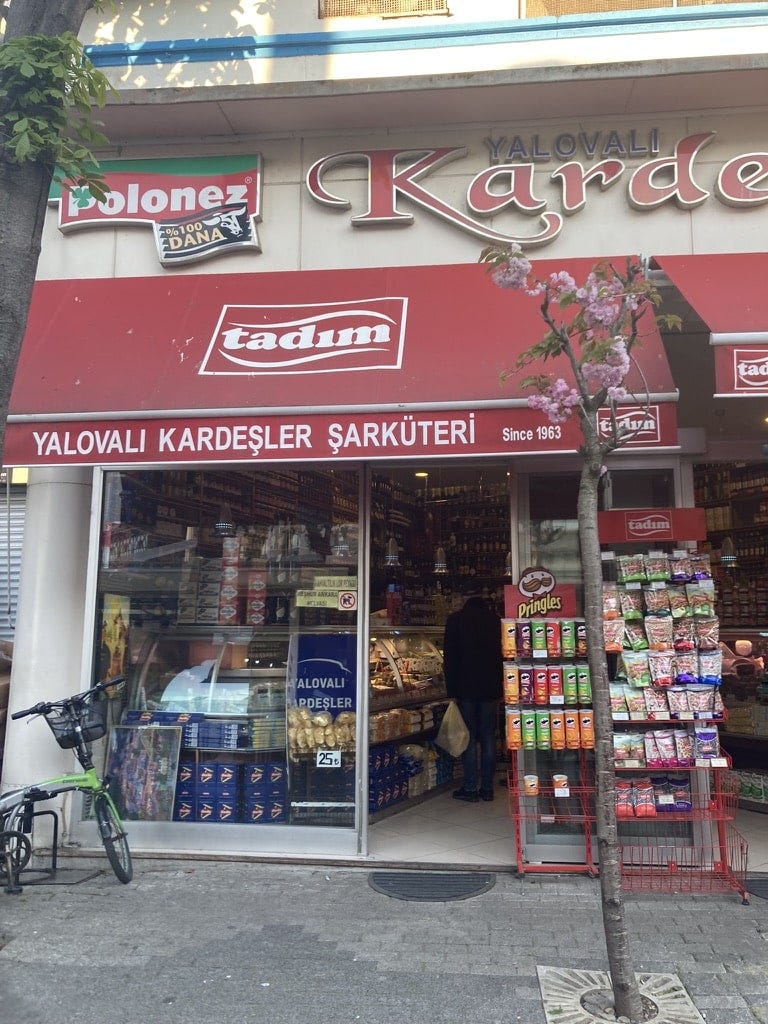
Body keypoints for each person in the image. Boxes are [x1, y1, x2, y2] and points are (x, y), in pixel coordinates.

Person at [442, 589, 503, 802]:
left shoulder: (456, 621)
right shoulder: (495, 622)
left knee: (468, 737)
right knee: (487, 738)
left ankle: (469, 787)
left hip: (465, 689)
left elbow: (449, 658)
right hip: (490, 689)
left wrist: (451, 691)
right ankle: (487, 789)